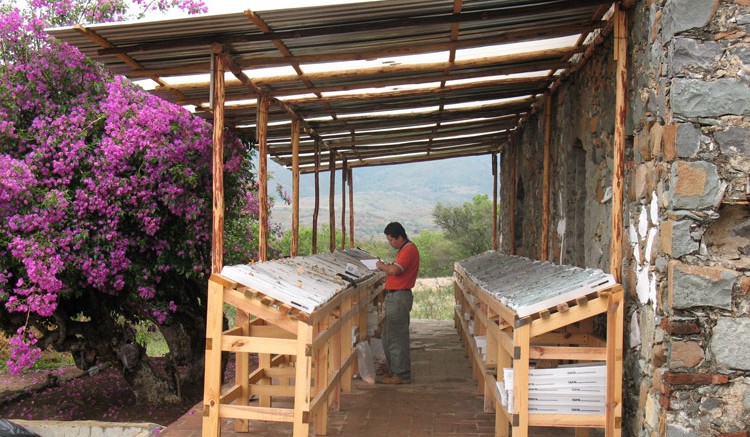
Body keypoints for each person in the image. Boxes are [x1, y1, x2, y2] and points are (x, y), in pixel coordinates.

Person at [375, 222, 419, 384]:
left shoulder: (408, 250)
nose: (390, 243)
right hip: (395, 296)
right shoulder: (404, 250)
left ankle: (401, 373)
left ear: (400, 237)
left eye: (391, 240)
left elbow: (395, 270)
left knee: (396, 337)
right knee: (388, 335)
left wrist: (381, 266)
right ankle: (395, 369)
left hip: (399, 297)